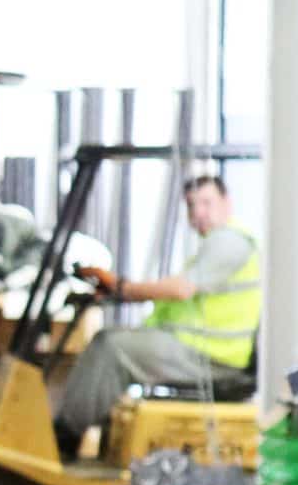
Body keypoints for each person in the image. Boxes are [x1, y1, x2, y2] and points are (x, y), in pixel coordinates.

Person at [57, 174, 260, 450]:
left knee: (111, 346)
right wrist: (118, 292)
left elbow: (181, 290)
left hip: (213, 355)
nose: (198, 212)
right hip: (198, 346)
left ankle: (62, 439)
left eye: (206, 203)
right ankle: (97, 441)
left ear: (227, 203)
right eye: (191, 205)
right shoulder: (215, 245)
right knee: (116, 341)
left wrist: (124, 288)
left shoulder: (230, 241)